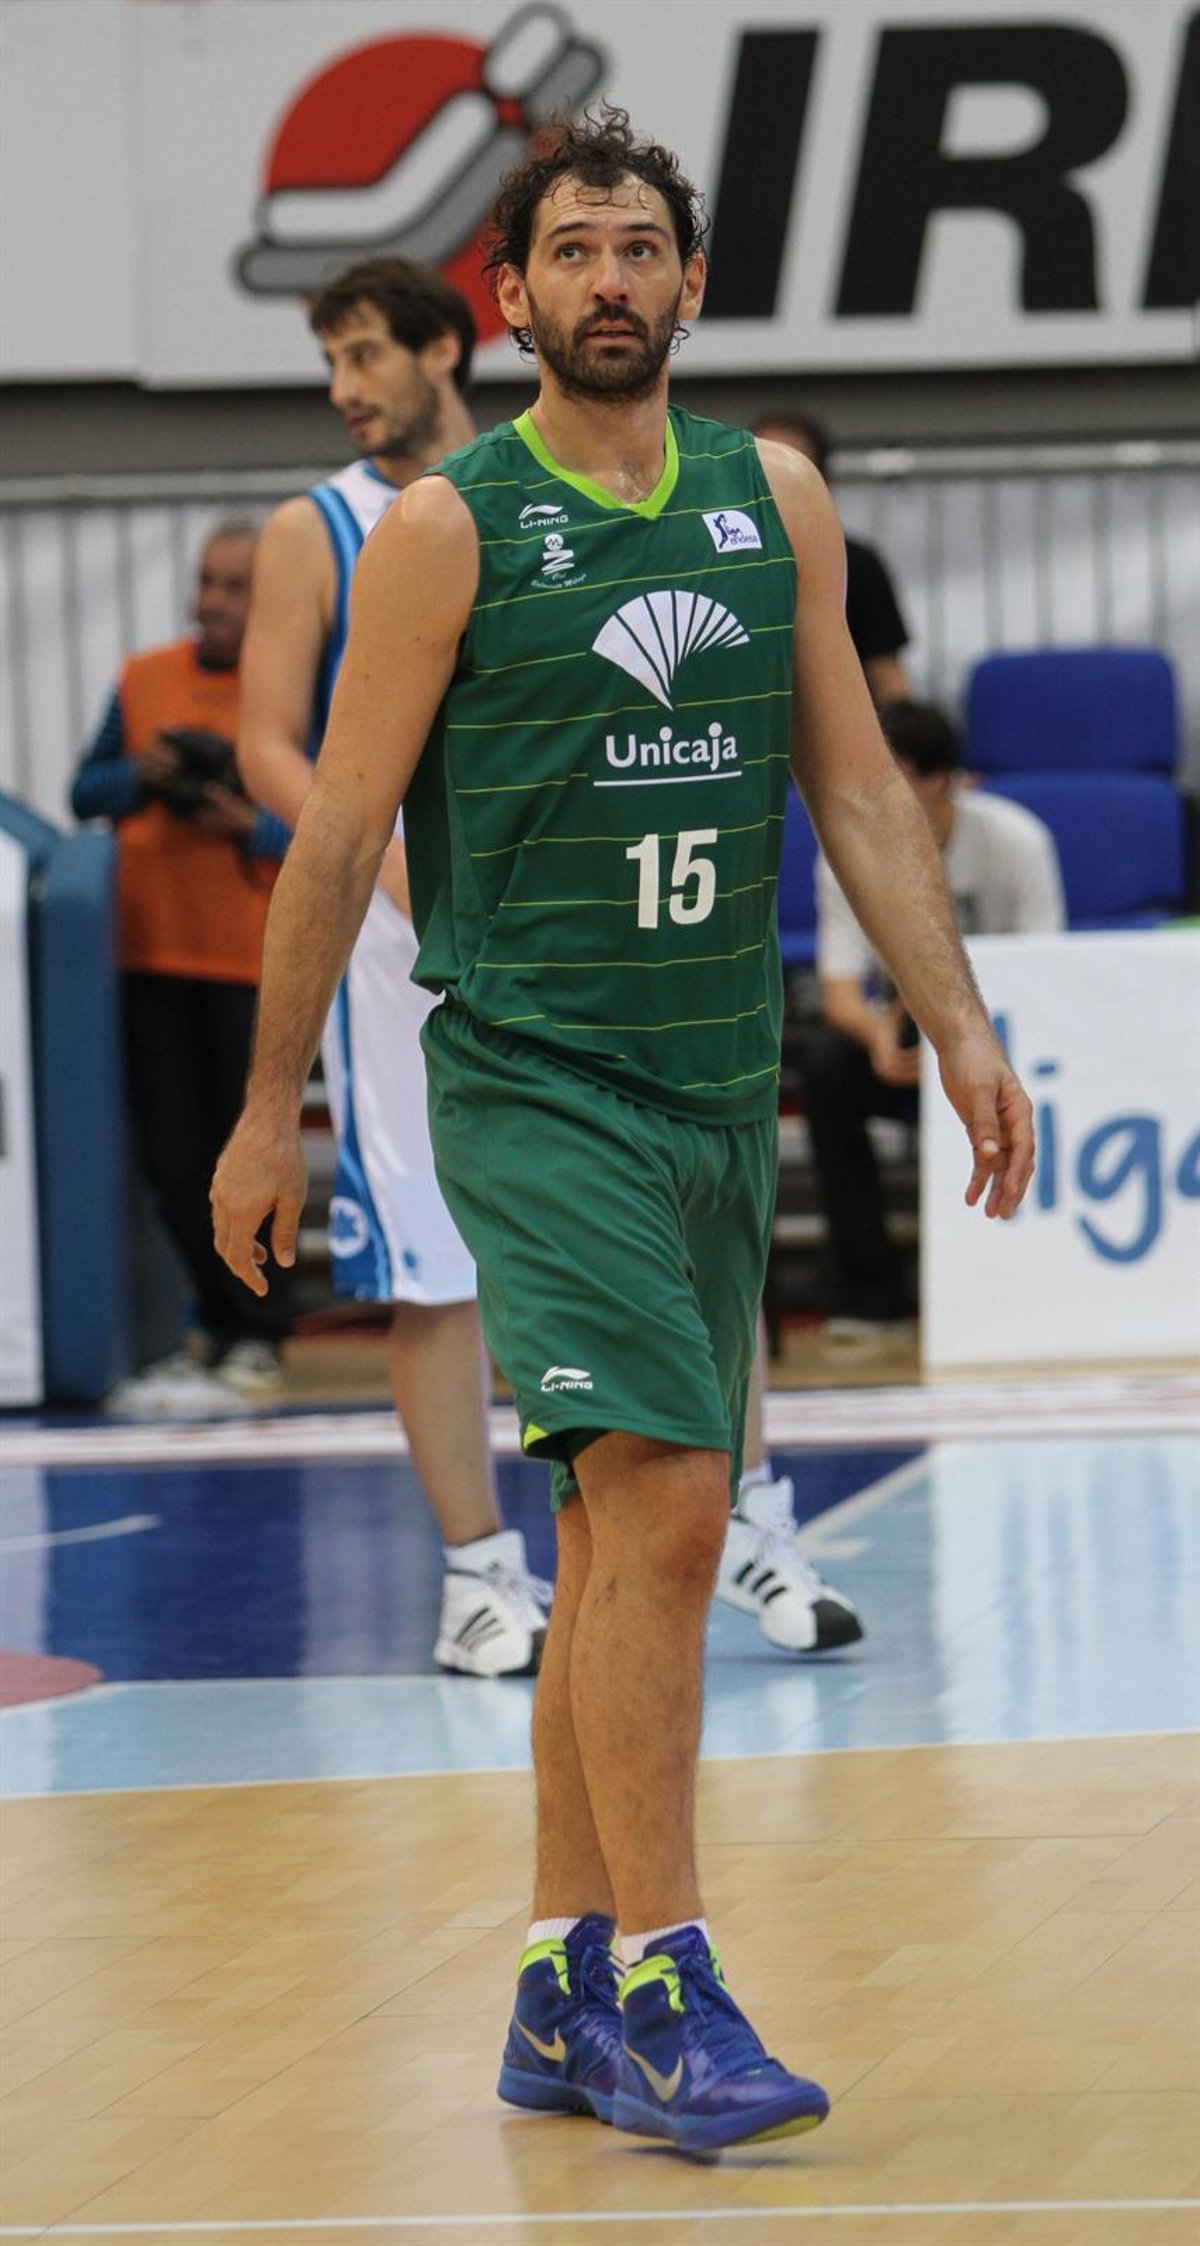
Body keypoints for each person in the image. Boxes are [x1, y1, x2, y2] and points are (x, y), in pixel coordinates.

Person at [212, 111, 1034, 2155]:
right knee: (670, 1502)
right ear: (511, 300)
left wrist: (959, 1021)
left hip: (711, 1075)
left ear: (690, 284)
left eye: (640, 245)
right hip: (534, 1074)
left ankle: (560, 1973)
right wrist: (266, 1111)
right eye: (572, 249)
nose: (609, 277)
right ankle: (670, 1982)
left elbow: (858, 785)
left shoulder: (774, 499)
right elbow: (338, 828)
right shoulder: (449, 529)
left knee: (610, 1540)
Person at [235, 256, 548, 1680]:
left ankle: (718, 1520)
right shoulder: (314, 527)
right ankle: (479, 1576)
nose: (344, 388)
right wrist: (394, 860)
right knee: (434, 1262)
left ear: (444, 349)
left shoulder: (536, 489)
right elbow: (266, 746)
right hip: (394, 938)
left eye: (364, 354)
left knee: (636, 1232)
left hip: (560, 913)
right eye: (331, 363)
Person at [72, 523, 293, 1412]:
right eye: (208, 581)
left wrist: (247, 826)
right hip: (149, 956)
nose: (214, 601)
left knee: (250, 1161)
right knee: (172, 1161)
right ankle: (215, 1328)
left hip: (252, 968)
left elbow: (329, 825)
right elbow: (85, 792)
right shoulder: (143, 677)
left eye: (236, 586)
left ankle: (260, 1333)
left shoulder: (287, 692)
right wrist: (144, 772)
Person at [805, 697, 1065, 1336]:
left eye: (892, 775)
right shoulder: (845, 854)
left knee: (1050, 1068)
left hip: (1006, 1038)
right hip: (907, 1034)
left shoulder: (1016, 842)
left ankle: (1025, 1285)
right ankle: (866, 1291)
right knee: (827, 1067)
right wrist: (879, 1035)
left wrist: (965, 1037)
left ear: (938, 779)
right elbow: (840, 994)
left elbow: (1050, 978)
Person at [751, 409, 911, 706]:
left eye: (785, 477)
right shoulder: (713, 561)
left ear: (821, 484)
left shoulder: (858, 565)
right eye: (757, 474)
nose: (769, 489)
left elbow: (889, 679)